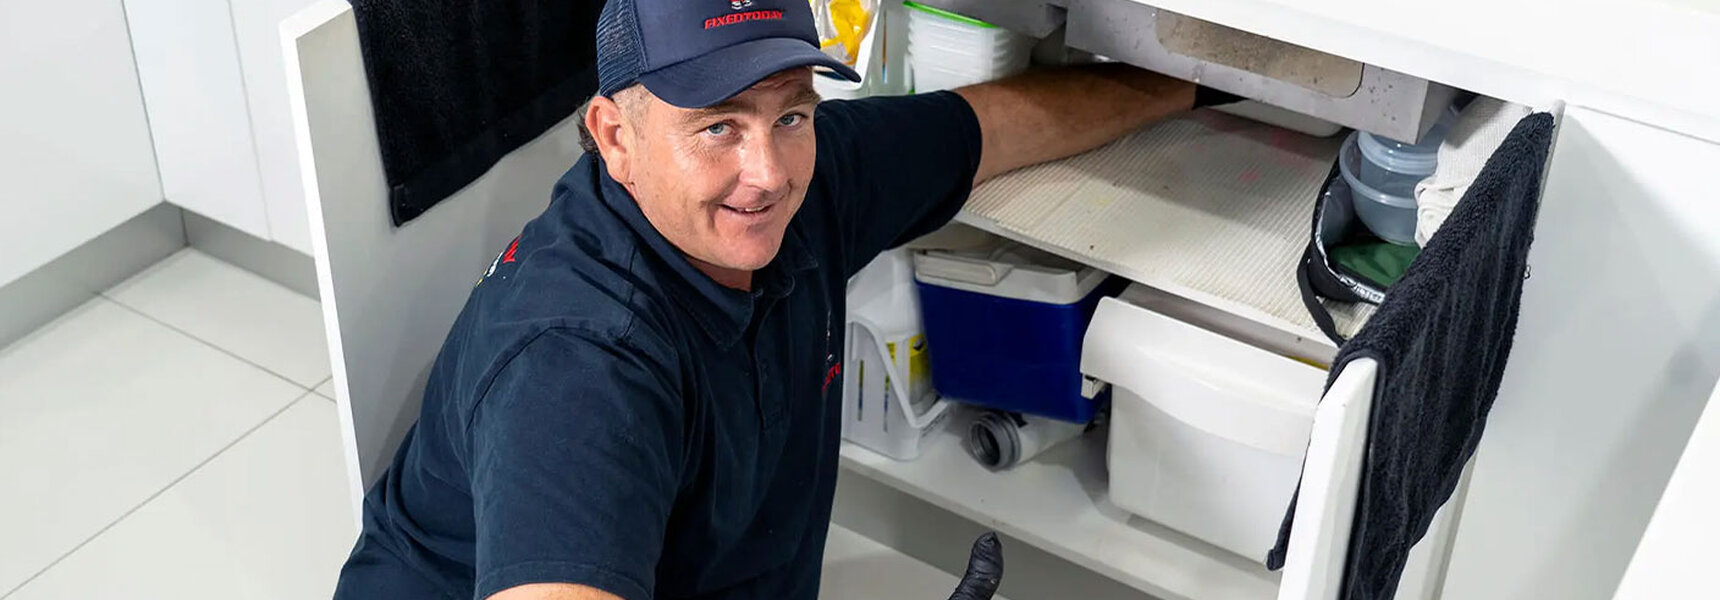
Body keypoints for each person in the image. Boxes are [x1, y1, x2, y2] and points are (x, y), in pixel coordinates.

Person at [333, 0, 1230, 598]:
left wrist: (1209, 81)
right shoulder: (580, 366)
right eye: (716, 125)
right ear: (615, 135)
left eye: (790, 113)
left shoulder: (805, 178)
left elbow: (988, 125)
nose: (766, 173)